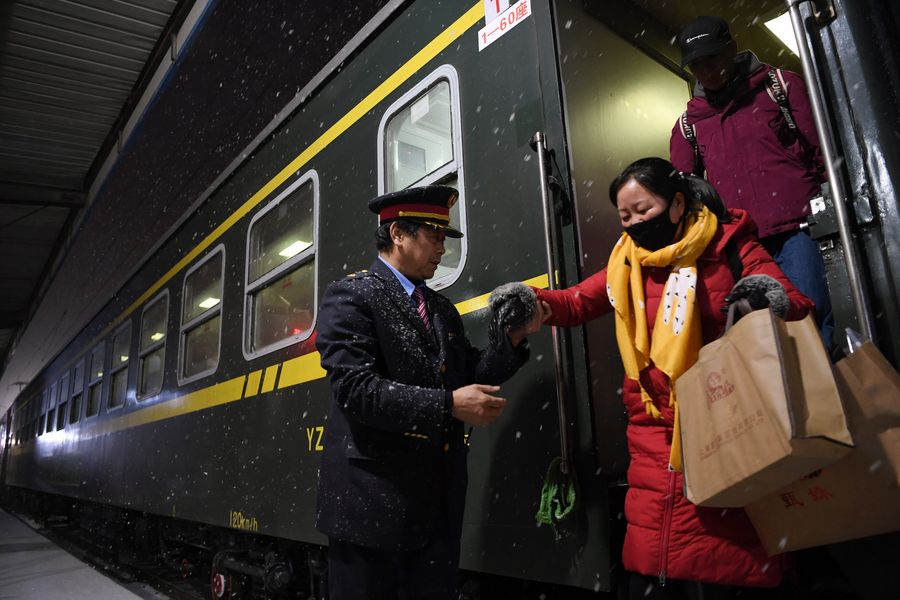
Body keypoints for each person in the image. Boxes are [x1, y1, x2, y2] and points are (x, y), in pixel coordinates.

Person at [530, 158, 814, 598]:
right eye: (625, 216)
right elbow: (576, 301)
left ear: (678, 203)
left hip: (728, 419)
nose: (634, 224)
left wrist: (762, 298)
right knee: (657, 553)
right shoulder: (628, 261)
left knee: (735, 560)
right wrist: (529, 301)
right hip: (654, 430)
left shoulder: (729, 245)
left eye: (643, 210)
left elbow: (792, 301)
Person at [314, 185, 542, 600]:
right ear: (398, 233)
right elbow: (357, 391)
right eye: (434, 237)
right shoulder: (351, 296)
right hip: (373, 506)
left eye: (443, 239)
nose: (442, 249)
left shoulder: (439, 308)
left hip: (436, 505)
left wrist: (511, 339)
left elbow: (468, 373)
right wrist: (448, 405)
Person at [670, 15, 833, 349]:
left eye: (713, 57)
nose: (706, 70)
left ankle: (824, 380)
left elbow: (824, 153)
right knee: (759, 338)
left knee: (809, 321)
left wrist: (824, 206)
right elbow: (683, 197)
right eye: (697, 64)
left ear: (732, 48)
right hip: (740, 244)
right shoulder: (689, 125)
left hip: (796, 230)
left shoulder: (779, 86)